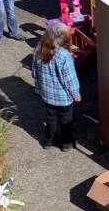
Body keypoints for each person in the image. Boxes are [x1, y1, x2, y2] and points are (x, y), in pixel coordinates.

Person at [32, 23, 81, 151]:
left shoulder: (39, 49)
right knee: (66, 120)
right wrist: (76, 94)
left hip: (47, 95)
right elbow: (70, 79)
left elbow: (34, 71)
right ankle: (66, 144)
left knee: (51, 118)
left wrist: (38, 87)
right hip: (63, 98)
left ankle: (48, 141)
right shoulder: (64, 55)